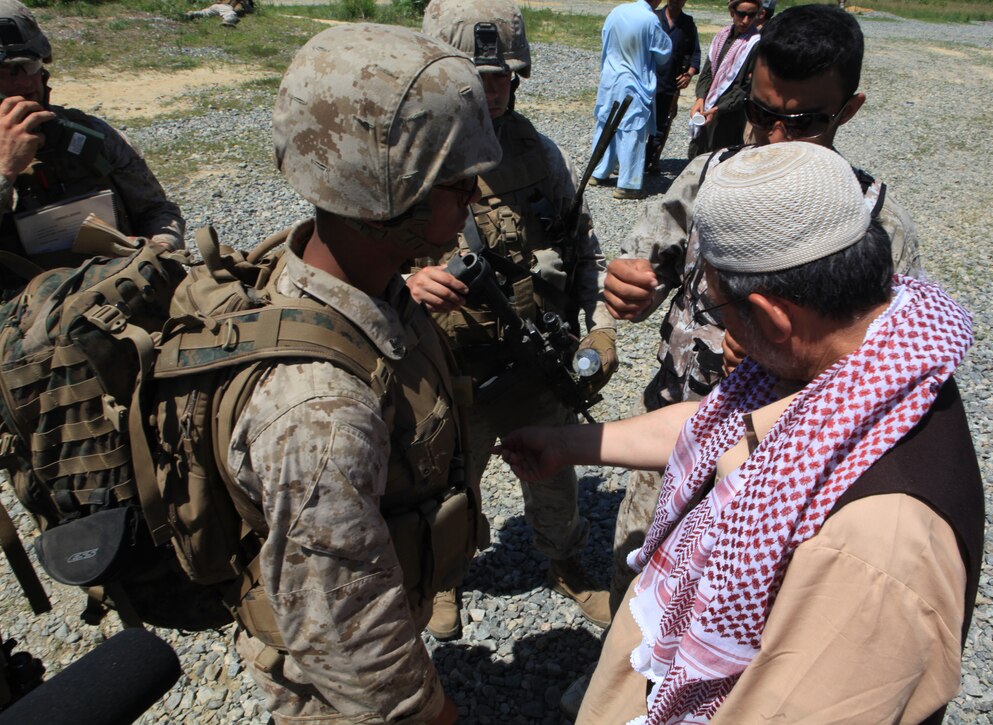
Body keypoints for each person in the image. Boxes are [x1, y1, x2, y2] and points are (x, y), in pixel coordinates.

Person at [501, 142, 984, 724]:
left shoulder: (871, 553)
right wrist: (565, 444)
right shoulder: (864, 344)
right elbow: (721, 426)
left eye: (721, 310)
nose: (721, 327)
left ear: (776, 319)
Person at [603, 3, 923, 616]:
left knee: (734, 618)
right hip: (670, 439)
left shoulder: (875, 226)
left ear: (849, 111)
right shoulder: (706, 178)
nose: (773, 139)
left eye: (803, 123)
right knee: (636, 582)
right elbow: (638, 270)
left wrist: (786, 368)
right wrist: (627, 291)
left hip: (780, 476)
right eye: (760, 113)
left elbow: (890, 379)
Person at [226, 24, 502, 723]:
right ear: (383, 200)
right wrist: (429, 711)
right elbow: (344, 635)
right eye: (455, 181)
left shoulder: (376, 286)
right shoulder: (321, 413)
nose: (475, 195)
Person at [414, 0, 617, 636]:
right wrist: (407, 283)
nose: (492, 90)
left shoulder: (537, 154)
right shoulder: (409, 160)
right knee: (447, 489)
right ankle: (443, 579)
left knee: (556, 479)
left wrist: (602, 323)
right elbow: (355, 257)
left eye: (502, 76)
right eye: (476, 77)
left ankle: (565, 564)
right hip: (449, 371)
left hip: (534, 360)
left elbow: (583, 245)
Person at [0, 0, 184, 297]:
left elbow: (157, 210)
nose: (23, 80)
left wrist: (161, 247)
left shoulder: (92, 136)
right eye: (5, 70)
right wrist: (5, 171)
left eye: (29, 64)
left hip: (119, 295)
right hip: (23, 321)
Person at [588, 0, 671, 200]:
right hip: (633, 80)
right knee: (632, 130)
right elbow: (663, 54)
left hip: (611, 76)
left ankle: (599, 171)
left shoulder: (616, 12)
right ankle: (628, 183)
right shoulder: (650, 19)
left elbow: (605, 40)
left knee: (606, 123)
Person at [687, 0, 760, 159]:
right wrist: (700, 98)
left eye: (751, 15)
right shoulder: (722, 36)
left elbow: (745, 88)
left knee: (719, 158)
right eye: (741, 14)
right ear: (732, 12)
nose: (745, 20)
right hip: (707, 107)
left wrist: (719, 108)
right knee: (698, 155)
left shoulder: (755, 44)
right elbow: (708, 71)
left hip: (729, 115)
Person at [645, 0, 700, 175]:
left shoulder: (688, 23)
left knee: (662, 124)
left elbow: (695, 53)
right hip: (647, 81)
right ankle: (629, 161)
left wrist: (689, 74)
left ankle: (651, 160)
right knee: (640, 123)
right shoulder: (653, 18)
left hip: (671, 83)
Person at [185, 0, 253, 28]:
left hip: (215, 6)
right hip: (226, 6)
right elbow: (248, 10)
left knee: (204, 13)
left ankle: (192, 14)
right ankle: (228, 21)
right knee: (231, 14)